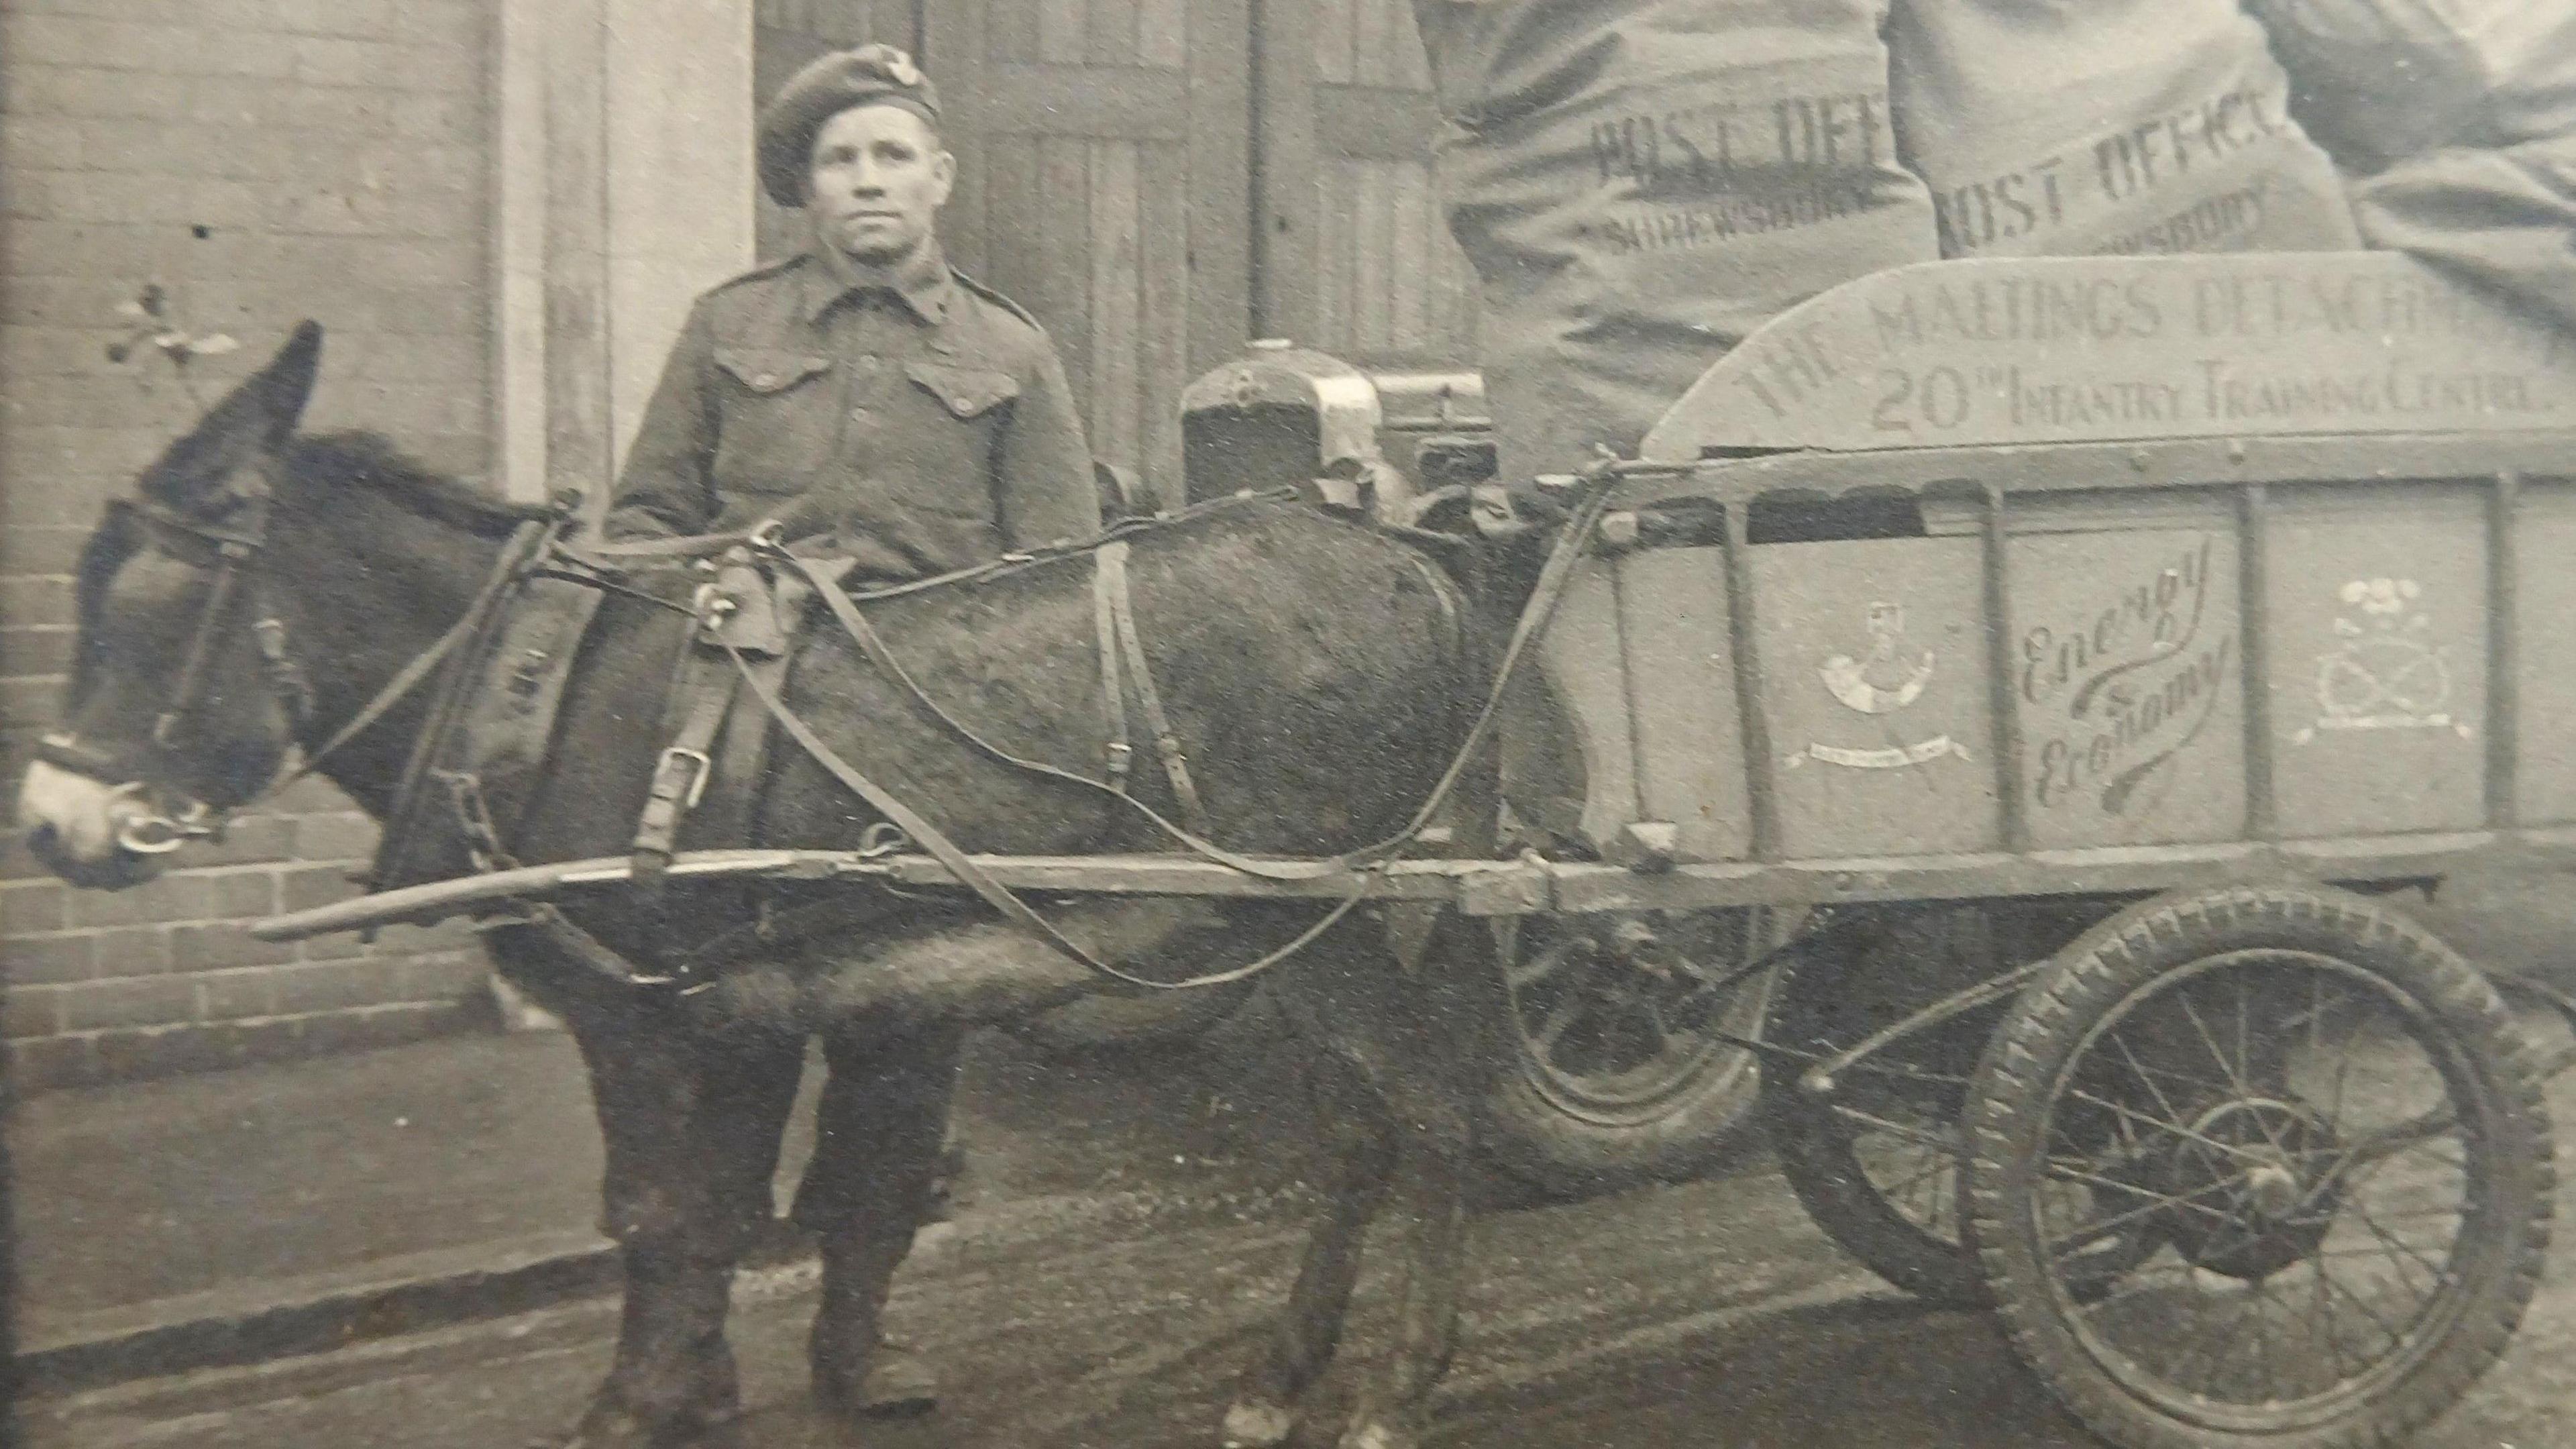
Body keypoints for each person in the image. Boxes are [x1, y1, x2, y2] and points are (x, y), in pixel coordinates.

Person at [566, 45, 1098, 1446]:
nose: (867, 182)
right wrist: (725, 573)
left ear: (939, 180)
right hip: (745, 742)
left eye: (891, 156)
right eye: (839, 161)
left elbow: (1060, 582)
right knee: (734, 1044)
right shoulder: (727, 322)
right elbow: (637, 530)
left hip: (926, 762)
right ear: (804, 190)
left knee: (903, 1062)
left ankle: (862, 1331)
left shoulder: (1009, 350)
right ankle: (691, 1353)